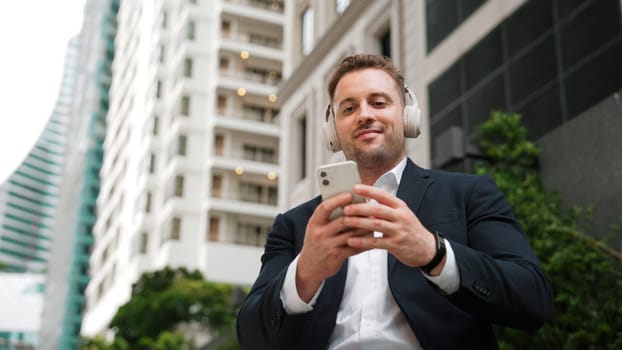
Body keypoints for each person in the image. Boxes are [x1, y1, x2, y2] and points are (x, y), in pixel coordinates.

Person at [236, 54, 553, 349]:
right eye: (349, 109)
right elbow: (251, 337)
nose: (365, 115)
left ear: (407, 115)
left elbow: (532, 299)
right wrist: (304, 274)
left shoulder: (469, 193)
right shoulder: (295, 225)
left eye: (378, 102)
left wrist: (434, 252)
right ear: (332, 131)